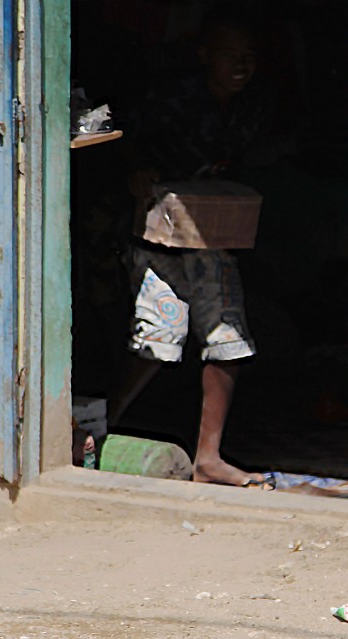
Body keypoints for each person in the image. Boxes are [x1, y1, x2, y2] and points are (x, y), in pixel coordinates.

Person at [110, 6, 272, 487]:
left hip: (214, 238)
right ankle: (103, 431)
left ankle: (209, 458)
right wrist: (137, 170)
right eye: (228, 55)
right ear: (204, 56)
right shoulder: (173, 98)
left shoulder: (253, 105)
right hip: (159, 236)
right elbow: (121, 134)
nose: (240, 65)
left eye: (248, 56)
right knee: (156, 341)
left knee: (229, 340)